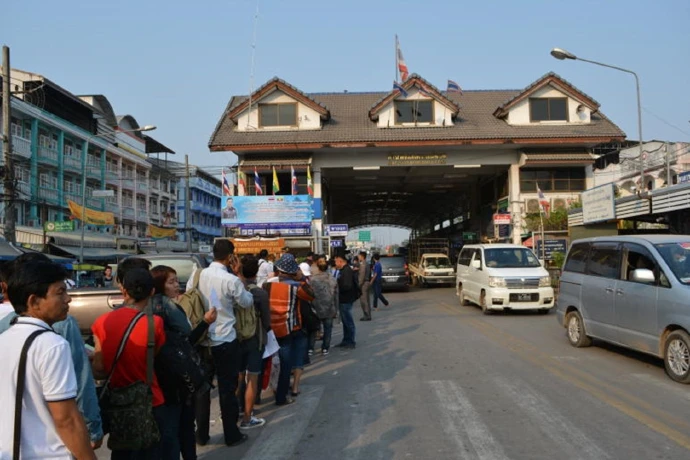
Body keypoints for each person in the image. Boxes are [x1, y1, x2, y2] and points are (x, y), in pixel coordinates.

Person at [0, 254, 104, 449]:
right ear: (34, 299)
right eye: (60, 292)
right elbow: (79, 383)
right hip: (54, 443)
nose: (68, 299)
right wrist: (92, 428)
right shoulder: (57, 338)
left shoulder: (6, 329)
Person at [91, 268, 167, 460]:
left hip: (118, 403)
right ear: (152, 292)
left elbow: (99, 370)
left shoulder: (101, 322)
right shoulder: (155, 323)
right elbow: (153, 357)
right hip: (150, 401)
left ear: (123, 291)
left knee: (122, 454)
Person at [187, 239, 253, 447]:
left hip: (202, 338)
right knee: (227, 389)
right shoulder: (231, 280)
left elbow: (190, 295)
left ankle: (201, 435)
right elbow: (246, 302)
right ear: (230, 256)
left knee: (202, 390)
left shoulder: (197, 274)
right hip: (225, 339)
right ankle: (231, 434)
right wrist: (239, 274)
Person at [151, 265, 217, 460]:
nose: (176, 285)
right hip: (176, 380)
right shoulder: (167, 308)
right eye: (171, 282)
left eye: (176, 281)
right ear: (159, 285)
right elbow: (187, 337)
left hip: (167, 381)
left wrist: (205, 322)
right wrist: (204, 323)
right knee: (181, 429)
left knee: (175, 430)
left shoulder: (150, 309)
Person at [237, 255, 270, 429]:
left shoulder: (234, 289)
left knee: (238, 375)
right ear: (256, 272)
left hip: (236, 338)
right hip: (255, 339)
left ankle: (234, 410)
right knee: (253, 377)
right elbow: (267, 321)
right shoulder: (260, 294)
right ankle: (247, 417)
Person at [309, 254, 338, 355]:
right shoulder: (332, 279)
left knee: (313, 329)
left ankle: (310, 348)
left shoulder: (312, 280)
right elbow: (336, 296)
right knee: (328, 329)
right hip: (329, 307)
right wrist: (336, 309)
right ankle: (325, 348)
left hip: (316, 307)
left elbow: (309, 295)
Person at [334, 253, 359, 349]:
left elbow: (347, 286)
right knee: (345, 321)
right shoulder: (343, 270)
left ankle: (351, 341)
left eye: (336, 261)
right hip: (343, 299)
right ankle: (346, 340)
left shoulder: (347, 271)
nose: (335, 263)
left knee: (348, 321)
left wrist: (338, 287)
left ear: (340, 261)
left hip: (346, 299)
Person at [357, 251, 372, 321]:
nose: (358, 257)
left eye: (359, 256)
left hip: (363, 284)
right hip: (367, 282)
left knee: (364, 300)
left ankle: (366, 315)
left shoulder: (363, 264)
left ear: (362, 256)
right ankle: (368, 315)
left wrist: (359, 285)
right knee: (367, 300)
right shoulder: (367, 263)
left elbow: (362, 276)